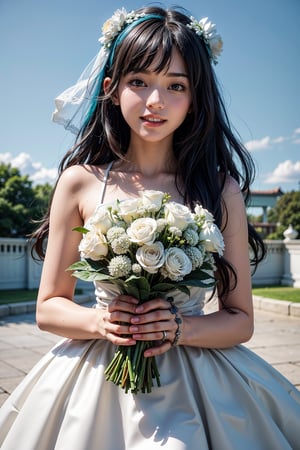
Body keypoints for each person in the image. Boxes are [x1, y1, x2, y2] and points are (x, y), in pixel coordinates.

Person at [0, 5, 299, 449]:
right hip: (96, 371)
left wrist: (180, 328)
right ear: (111, 89)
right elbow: (48, 307)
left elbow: (240, 321)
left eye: (175, 85)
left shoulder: (221, 189)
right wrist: (102, 322)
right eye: (139, 81)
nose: (155, 101)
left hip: (198, 374)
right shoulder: (81, 182)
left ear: (195, 98)